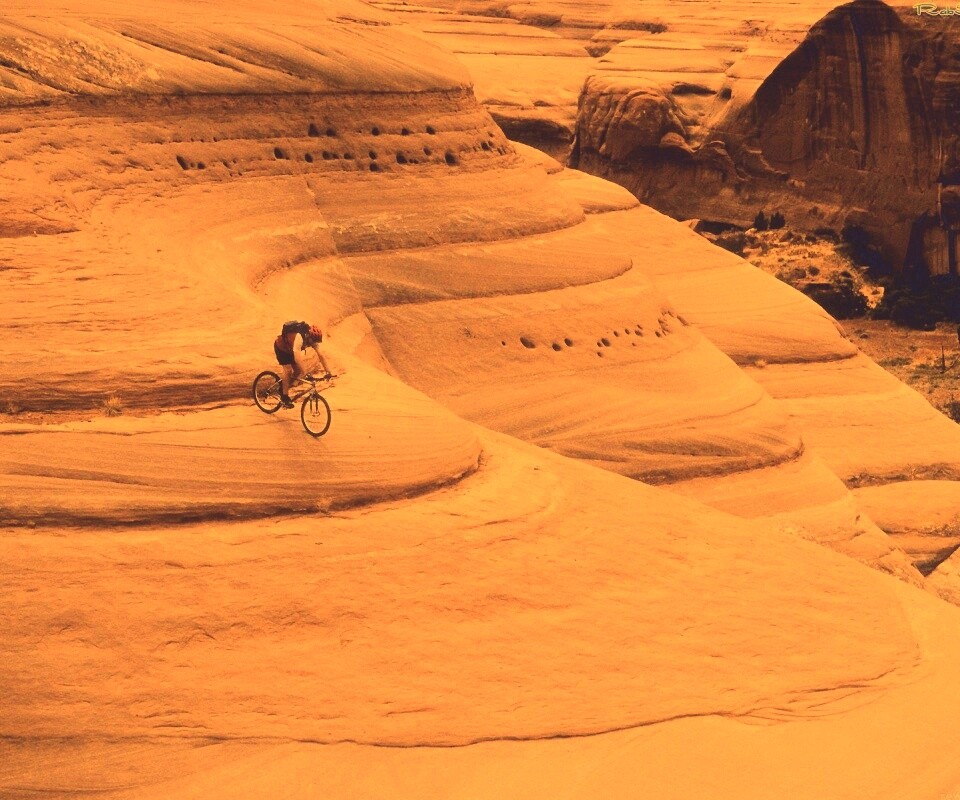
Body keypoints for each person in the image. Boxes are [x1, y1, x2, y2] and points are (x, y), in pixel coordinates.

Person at [274, 320, 332, 407]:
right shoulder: (299, 337)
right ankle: (284, 397)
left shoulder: (313, 340)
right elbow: (297, 357)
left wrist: (328, 372)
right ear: (309, 336)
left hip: (291, 350)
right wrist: (304, 371)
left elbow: (321, 355)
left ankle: (283, 387)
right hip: (281, 348)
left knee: (297, 372)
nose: (314, 343)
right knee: (288, 370)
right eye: (313, 341)